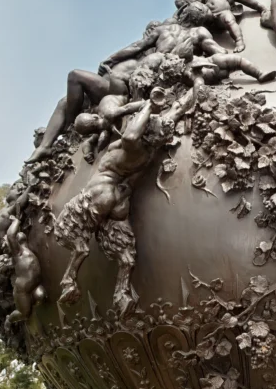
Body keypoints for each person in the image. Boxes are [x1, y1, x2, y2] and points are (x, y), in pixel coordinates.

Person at [54, 87, 195, 313]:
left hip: (103, 192)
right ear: (153, 133)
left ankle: (76, 282)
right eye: (161, 132)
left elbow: (132, 134)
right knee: (123, 255)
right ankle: (118, 293)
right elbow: (175, 111)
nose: (164, 134)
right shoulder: (147, 147)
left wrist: (151, 104)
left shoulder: (136, 144)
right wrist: (192, 88)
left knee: (84, 242)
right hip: (118, 196)